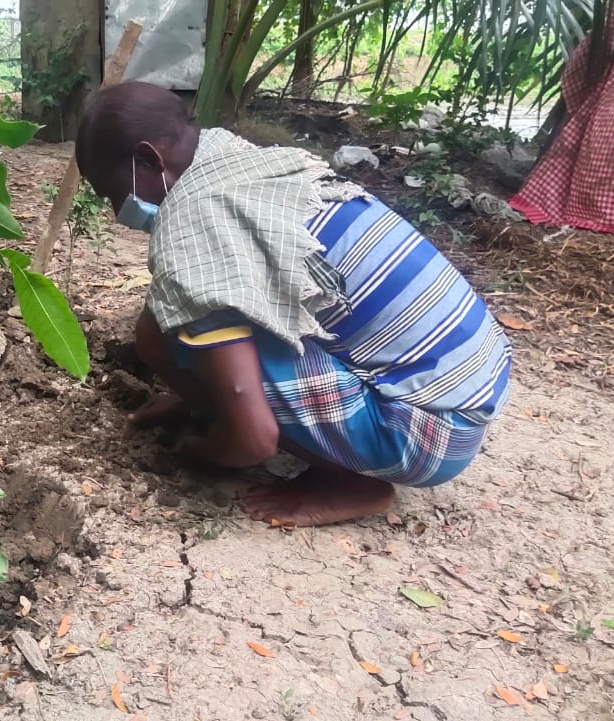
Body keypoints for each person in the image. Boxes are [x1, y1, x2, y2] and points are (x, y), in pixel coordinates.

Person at [75, 81, 512, 527]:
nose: (117, 212)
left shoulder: (190, 231)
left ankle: (347, 480)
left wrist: (201, 449)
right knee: (168, 320)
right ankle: (215, 404)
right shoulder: (238, 160)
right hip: (474, 380)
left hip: (428, 433)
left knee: (187, 324)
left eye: (115, 194)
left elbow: (253, 442)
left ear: (150, 159)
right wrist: (195, 399)